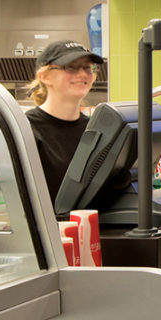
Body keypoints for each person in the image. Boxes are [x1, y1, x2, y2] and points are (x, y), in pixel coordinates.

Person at [24, 40, 117, 203]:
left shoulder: (96, 130)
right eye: (71, 67)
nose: (82, 74)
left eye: (87, 67)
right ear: (44, 76)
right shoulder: (26, 128)